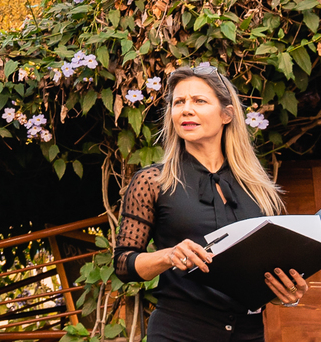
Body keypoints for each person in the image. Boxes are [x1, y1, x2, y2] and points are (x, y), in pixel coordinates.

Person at [114, 63, 309, 341]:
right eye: (179, 102)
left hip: (249, 333)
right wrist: (169, 255)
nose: (186, 109)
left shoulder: (259, 188)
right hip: (178, 331)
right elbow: (123, 264)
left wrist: (284, 293)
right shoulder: (153, 181)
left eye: (199, 101)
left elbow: (263, 273)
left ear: (227, 114)